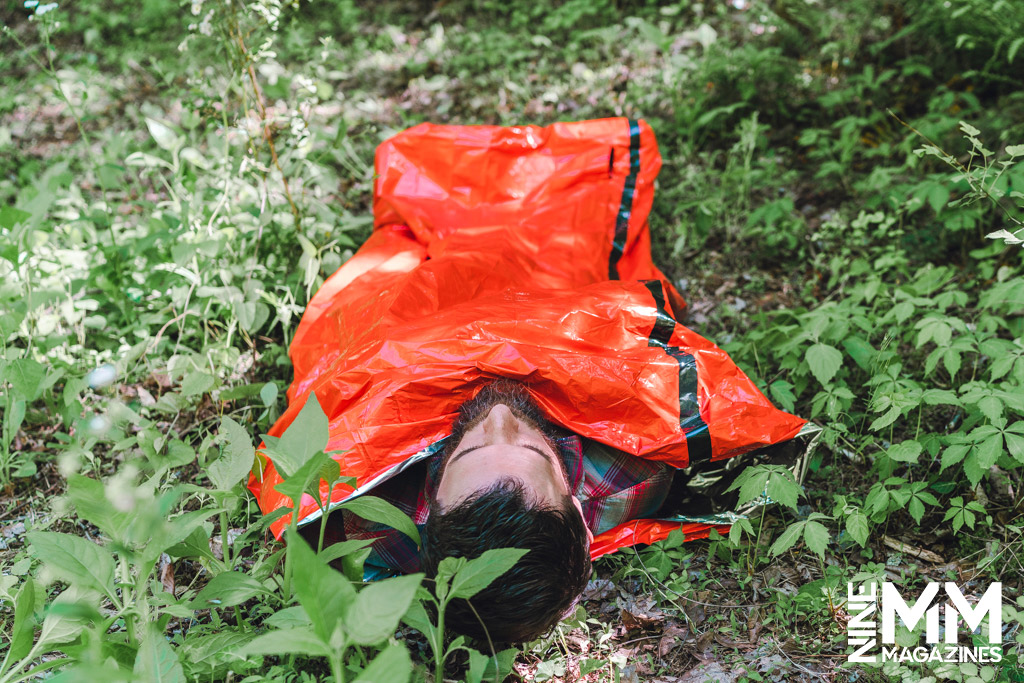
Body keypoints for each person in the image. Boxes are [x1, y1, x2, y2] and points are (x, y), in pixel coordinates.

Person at [250, 117, 806, 645]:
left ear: (430, 511)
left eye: (467, 456)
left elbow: (309, 452)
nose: (498, 418)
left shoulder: (378, 529)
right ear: (572, 496)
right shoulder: (624, 480)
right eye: (533, 453)